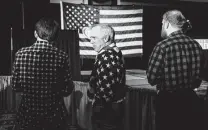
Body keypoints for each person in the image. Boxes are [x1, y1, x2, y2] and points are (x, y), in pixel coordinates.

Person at [11, 17, 74, 130]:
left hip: (28, 113)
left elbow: (15, 86)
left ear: (35, 34)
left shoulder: (20, 53)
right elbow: (67, 89)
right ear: (55, 36)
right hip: (54, 115)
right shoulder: (62, 56)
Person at [146, 10, 204, 130]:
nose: (162, 27)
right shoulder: (196, 45)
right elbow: (200, 76)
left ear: (167, 24)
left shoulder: (162, 46)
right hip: (191, 100)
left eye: (162, 24)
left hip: (169, 103)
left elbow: (151, 78)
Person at [83, 24, 126, 130]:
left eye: (94, 38)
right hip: (112, 108)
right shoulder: (114, 52)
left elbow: (106, 90)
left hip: (106, 110)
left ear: (106, 38)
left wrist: (97, 105)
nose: (91, 41)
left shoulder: (107, 55)